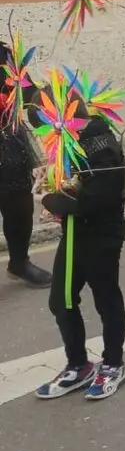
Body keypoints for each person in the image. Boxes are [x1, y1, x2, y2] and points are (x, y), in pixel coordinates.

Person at [34, 102, 125, 400]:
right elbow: (72, 184)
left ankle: (113, 363)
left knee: (106, 299)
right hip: (74, 233)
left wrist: (48, 199)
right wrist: (51, 176)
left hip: (102, 235)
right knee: (60, 301)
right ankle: (78, 365)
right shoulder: (72, 140)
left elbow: (92, 201)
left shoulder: (103, 147)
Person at [0, 39, 51, 287]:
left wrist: (49, 100)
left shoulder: (5, 54)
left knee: (20, 207)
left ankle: (19, 262)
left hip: (8, 145)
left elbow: (28, 94)